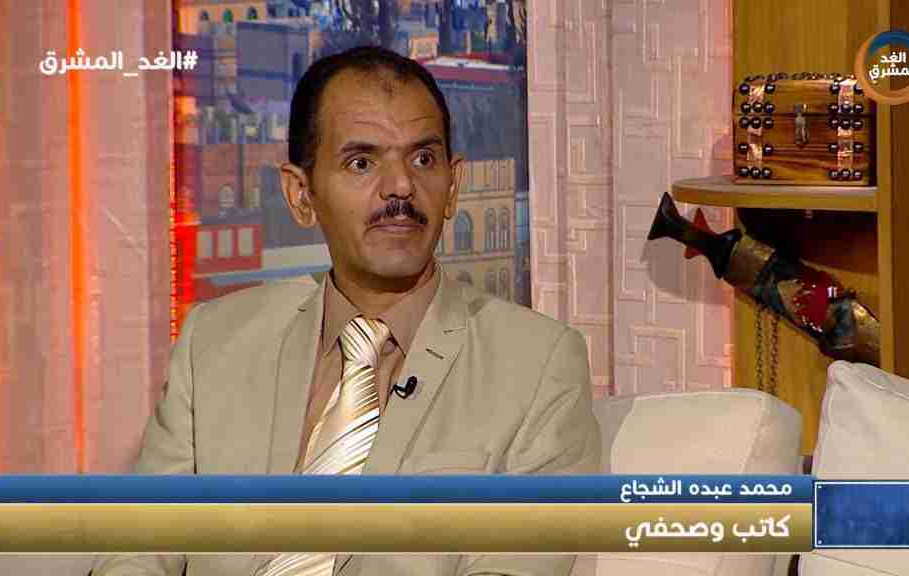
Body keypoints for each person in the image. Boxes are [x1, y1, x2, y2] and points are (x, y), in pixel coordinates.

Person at [93, 45, 599, 576]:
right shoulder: (213, 343)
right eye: (362, 162)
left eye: (423, 159)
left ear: (452, 187)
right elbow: (136, 547)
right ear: (301, 194)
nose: (401, 186)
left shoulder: (539, 366)